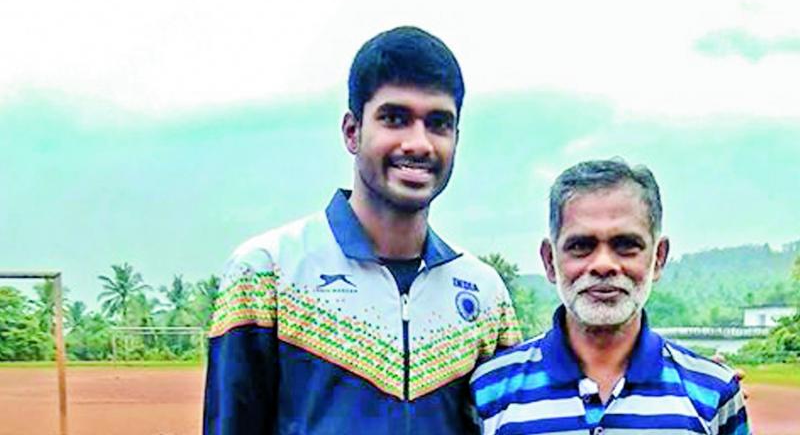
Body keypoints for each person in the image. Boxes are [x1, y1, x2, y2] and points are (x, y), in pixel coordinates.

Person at [203, 26, 521, 435]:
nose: (419, 143)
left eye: (438, 123)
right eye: (395, 118)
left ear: (456, 137)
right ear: (352, 131)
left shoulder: (484, 293)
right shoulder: (268, 273)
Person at [470, 159, 749, 435]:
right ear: (549, 261)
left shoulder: (714, 393)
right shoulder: (487, 392)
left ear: (659, 258)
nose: (603, 264)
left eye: (626, 245)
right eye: (580, 245)